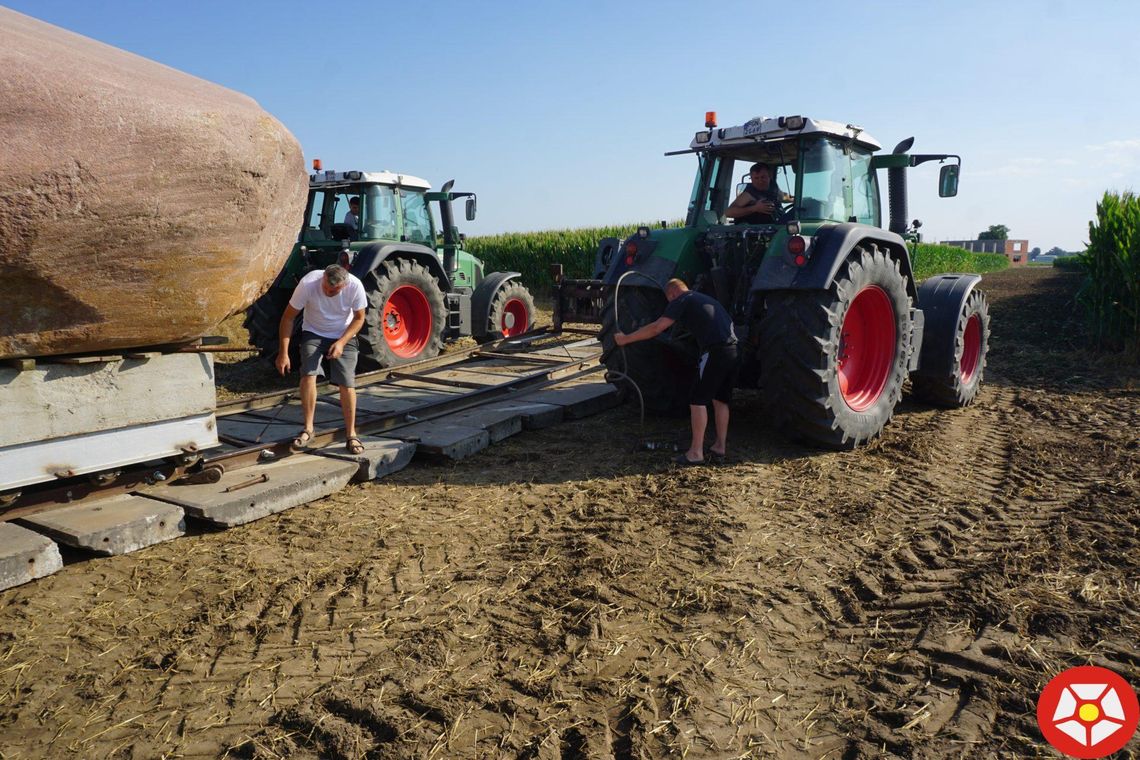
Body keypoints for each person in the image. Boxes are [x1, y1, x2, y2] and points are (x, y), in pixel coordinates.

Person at [614, 279, 738, 465]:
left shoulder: (682, 300)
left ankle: (696, 453)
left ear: (671, 294)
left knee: (697, 400)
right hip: (734, 350)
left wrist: (626, 339)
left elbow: (657, 328)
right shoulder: (705, 299)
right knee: (720, 399)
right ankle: (719, 447)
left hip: (715, 351)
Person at [275, 264, 368, 454]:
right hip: (314, 332)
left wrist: (342, 342)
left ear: (344, 285)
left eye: (334, 290)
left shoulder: (355, 286)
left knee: (346, 382)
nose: (328, 291)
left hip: (344, 333)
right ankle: (308, 429)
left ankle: (351, 434)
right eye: (325, 287)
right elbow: (288, 318)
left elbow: (359, 318)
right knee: (308, 374)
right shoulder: (308, 283)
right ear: (323, 278)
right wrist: (283, 352)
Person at [725, 162, 790, 224]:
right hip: (757, 231)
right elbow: (729, 212)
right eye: (756, 178)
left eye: (763, 177)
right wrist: (755, 208)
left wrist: (796, 199)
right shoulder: (748, 194)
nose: (760, 181)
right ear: (751, 179)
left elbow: (782, 196)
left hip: (777, 225)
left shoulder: (773, 187)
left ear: (769, 176)